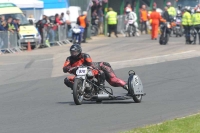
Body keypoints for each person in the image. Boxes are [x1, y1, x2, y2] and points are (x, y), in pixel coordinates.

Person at [63, 44, 129, 92]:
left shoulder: (85, 55)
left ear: (79, 51)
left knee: (112, 81)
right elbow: (64, 68)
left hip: (100, 66)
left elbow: (90, 64)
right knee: (67, 79)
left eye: (75, 52)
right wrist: (68, 68)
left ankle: (126, 86)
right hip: (81, 74)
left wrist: (90, 67)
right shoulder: (69, 59)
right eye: (72, 52)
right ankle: (78, 89)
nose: (73, 54)